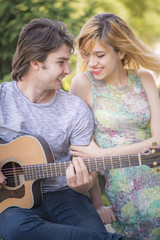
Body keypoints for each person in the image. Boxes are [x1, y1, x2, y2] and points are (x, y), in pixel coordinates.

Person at [0, 17, 133, 240]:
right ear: (35, 62)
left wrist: (84, 183)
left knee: (93, 232)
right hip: (13, 203)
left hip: (65, 195)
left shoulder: (75, 110)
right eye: (61, 62)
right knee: (16, 229)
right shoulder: (2, 98)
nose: (67, 70)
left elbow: (87, 168)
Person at [69, 13, 160, 240]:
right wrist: (98, 205)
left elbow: (158, 143)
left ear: (121, 52)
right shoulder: (82, 84)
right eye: (87, 55)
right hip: (123, 190)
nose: (91, 62)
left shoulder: (145, 78)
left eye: (100, 55)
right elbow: (83, 155)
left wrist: (103, 154)